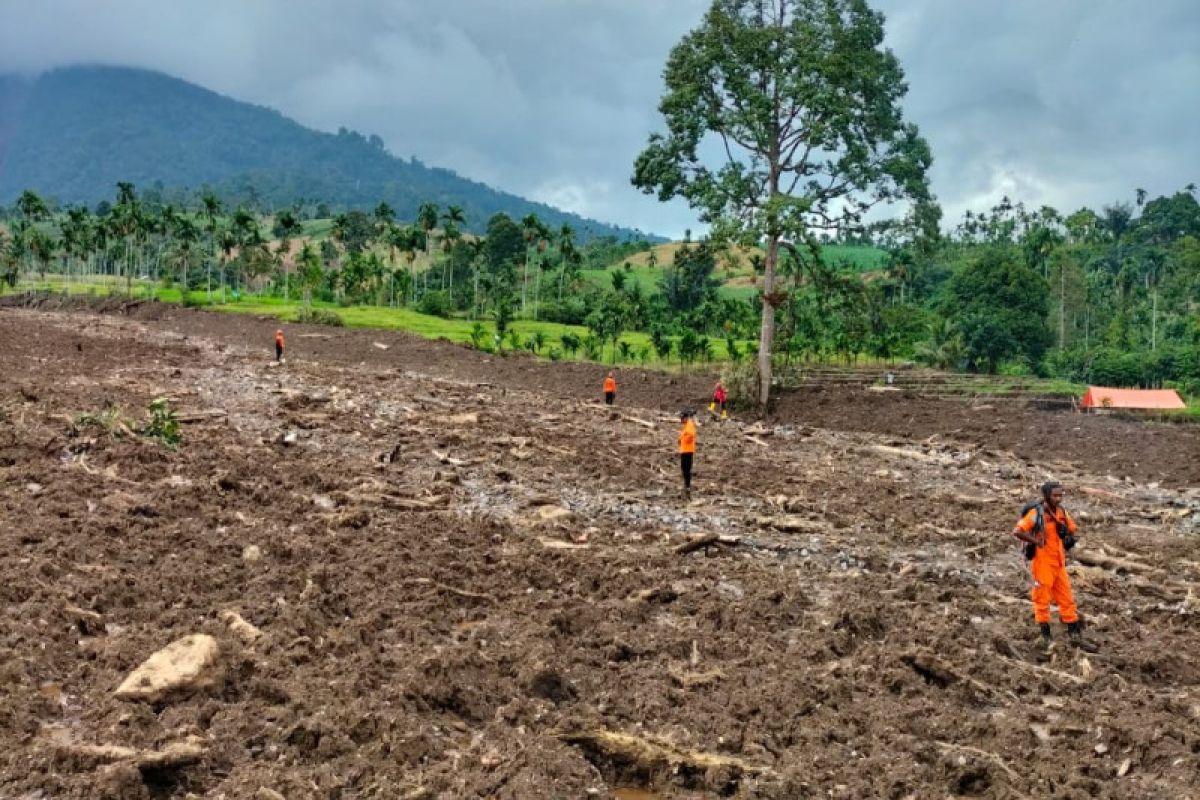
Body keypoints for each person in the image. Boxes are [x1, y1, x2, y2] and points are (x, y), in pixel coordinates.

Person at [1012, 481, 1091, 650]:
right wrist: (1036, 542)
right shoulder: (1036, 513)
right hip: (1043, 563)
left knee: (1067, 599)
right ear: (1047, 495)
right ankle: (1045, 637)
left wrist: (1067, 535)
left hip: (1059, 562)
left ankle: (1074, 636)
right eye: (1055, 495)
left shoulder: (1061, 511)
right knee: (1042, 599)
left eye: (1060, 495)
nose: (1058, 498)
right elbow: (1018, 531)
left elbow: (1072, 527)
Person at [678, 409, 697, 499]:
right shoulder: (687, 425)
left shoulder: (689, 425)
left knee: (686, 470)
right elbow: (686, 434)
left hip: (687, 450)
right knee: (684, 469)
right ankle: (686, 486)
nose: (680, 420)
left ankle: (687, 487)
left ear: (685, 418)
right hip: (685, 450)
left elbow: (691, 435)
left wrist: (684, 441)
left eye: (681, 418)